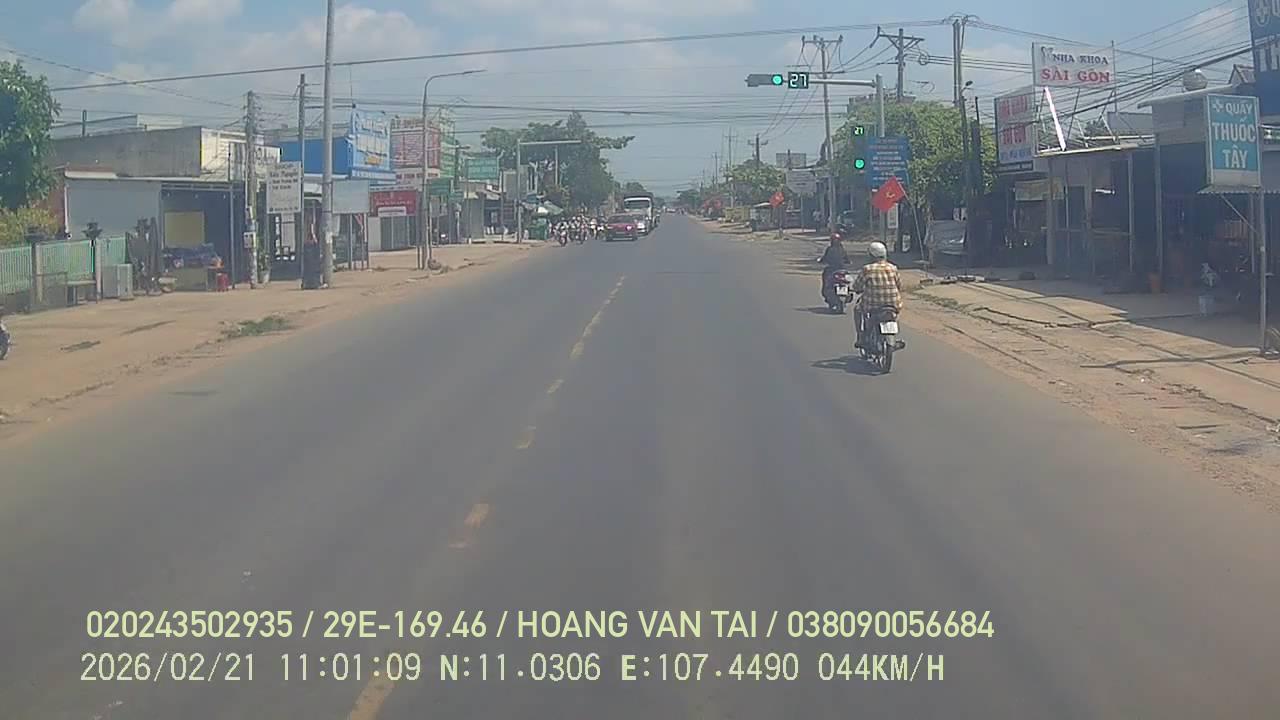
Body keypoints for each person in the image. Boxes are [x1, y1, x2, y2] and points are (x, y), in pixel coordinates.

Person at [852, 241, 903, 349]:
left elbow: (857, 286)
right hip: (893, 305)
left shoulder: (867, 269)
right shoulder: (893, 268)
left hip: (873, 305)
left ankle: (860, 336)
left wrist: (856, 289)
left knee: (857, 309)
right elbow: (899, 285)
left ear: (871, 255)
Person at [818, 233, 849, 301]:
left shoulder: (830, 249)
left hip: (832, 269)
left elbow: (824, 258)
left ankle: (826, 291)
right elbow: (847, 259)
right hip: (841, 269)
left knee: (826, 277)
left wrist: (821, 261)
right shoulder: (842, 249)